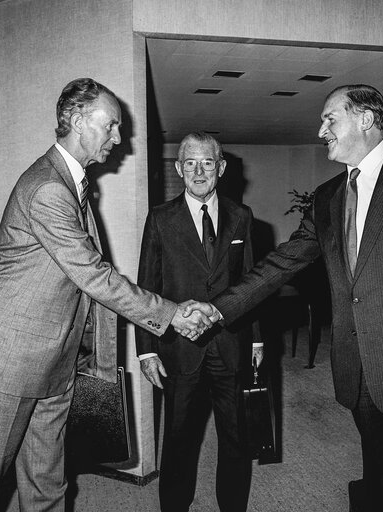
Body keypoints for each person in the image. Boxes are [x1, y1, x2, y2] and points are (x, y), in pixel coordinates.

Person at [201, 85, 383, 512]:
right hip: (356, 367)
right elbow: (282, 263)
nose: (321, 130)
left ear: (365, 120)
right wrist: (217, 308)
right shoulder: (328, 196)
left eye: (330, 119)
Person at [0, 78, 214, 512]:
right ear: (79, 121)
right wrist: (172, 314)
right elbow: (94, 276)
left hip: (54, 359)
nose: (119, 138)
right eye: (112, 126)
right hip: (8, 359)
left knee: (47, 482)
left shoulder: (74, 183)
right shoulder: (48, 188)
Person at [136, 132, 263, 512]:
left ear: (221, 168)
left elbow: (252, 285)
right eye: (189, 163)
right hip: (180, 351)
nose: (198, 170)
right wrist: (146, 352)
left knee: (236, 438)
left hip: (231, 345)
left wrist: (256, 345)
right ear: (178, 169)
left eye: (207, 162)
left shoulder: (242, 217)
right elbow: (147, 286)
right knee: (178, 440)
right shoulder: (160, 218)